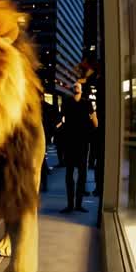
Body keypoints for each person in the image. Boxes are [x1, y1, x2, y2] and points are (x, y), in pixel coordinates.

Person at [56, 81, 98, 213]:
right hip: (71, 142)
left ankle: (77, 204)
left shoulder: (86, 103)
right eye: (74, 85)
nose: (76, 86)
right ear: (73, 89)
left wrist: (92, 126)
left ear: (81, 89)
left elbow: (95, 122)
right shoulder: (67, 102)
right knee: (70, 174)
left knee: (81, 174)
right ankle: (71, 204)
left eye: (78, 85)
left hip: (81, 142)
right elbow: (61, 119)